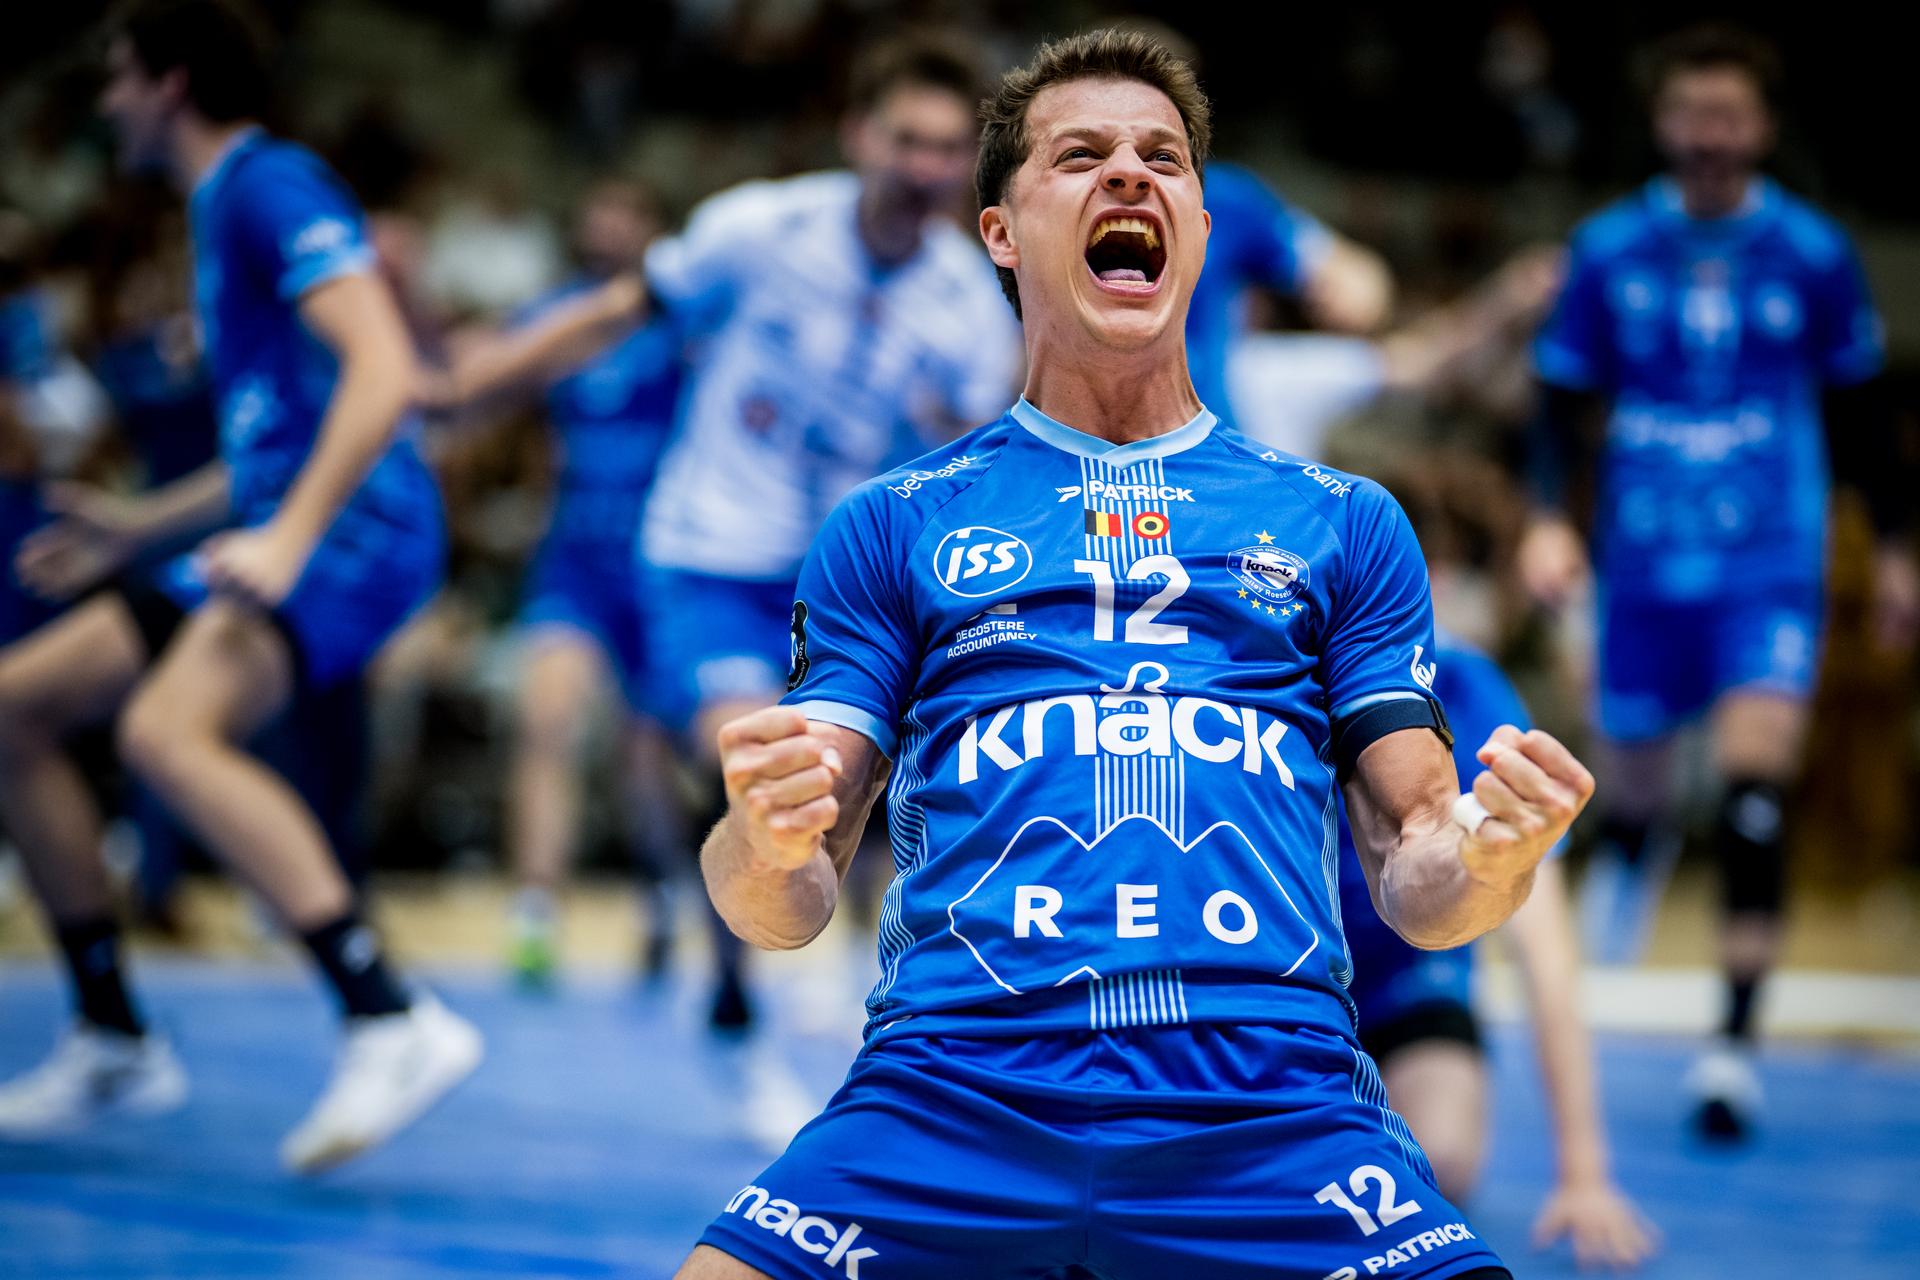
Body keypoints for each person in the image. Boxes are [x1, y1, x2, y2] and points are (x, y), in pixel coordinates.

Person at [678, 29, 1595, 1279]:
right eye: (1082, 155)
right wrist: (760, 839)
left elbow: (1422, 884)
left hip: (1269, 1101)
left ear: (1202, 231)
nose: (1130, 176)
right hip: (951, 1089)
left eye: (1162, 158)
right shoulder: (895, 520)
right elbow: (780, 902)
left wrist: (1495, 859)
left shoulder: (1343, 520)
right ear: (999, 230)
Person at [439, 33, 1020, 1038]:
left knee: (818, 779)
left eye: (946, 148)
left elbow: (983, 455)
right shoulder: (760, 229)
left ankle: (757, 972)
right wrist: (472, 383)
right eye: (906, 140)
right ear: (858, 135)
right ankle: (755, 951)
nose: (924, 167)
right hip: (710, 551)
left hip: (843, 576)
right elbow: (616, 311)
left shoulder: (968, 300)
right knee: (750, 762)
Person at [0, 0, 480, 1172]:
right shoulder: (220, 208)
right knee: (14, 706)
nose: (105, 100)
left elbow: (383, 373)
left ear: (166, 84)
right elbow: (272, 448)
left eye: (117, 77)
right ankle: (114, 1033)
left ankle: (389, 1013)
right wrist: (133, 531)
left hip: (358, 524)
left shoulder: (270, 185)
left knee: (172, 734)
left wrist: (287, 539)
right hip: (291, 513)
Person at [1521, 23, 1917, 1140]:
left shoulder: (1815, 252)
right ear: (1662, 124)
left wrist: (1892, 549)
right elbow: (1557, 403)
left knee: (1751, 799)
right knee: (1634, 794)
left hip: (1766, 565)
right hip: (1642, 566)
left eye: (1730, 116)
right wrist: (1548, 521)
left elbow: (1864, 412)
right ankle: (1636, 854)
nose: (1709, 137)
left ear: (1764, 128)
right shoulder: (1607, 249)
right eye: (1691, 114)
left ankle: (1732, 1048)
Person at [1337, 631, 1656, 1271]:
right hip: (1291, 975)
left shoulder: (1464, 686)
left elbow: (1547, 957)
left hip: (1408, 979)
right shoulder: (1277, 667)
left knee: (1437, 1159)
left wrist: (1584, 1170)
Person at [438, 178, 685, 987]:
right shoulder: (560, 315)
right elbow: (487, 370)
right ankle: (535, 913)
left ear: (654, 230)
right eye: (598, 210)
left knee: (645, 756)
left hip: (658, 561)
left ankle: (658, 892)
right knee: (546, 720)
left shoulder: (686, 317)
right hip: (574, 556)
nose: (605, 224)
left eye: (624, 212)